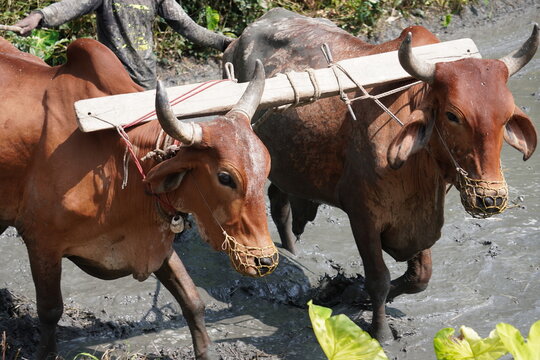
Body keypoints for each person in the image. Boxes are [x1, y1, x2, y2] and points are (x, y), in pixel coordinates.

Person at [15, 0, 233, 89]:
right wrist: (40, 16)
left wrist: (225, 43)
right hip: (110, 80)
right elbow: (73, 4)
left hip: (145, 80)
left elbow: (188, 27)